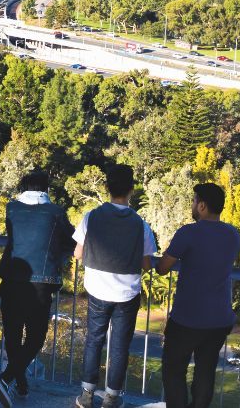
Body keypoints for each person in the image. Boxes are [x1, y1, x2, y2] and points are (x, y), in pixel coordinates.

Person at [73, 164, 157, 408]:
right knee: (119, 345)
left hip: (97, 289)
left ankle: (87, 395)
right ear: (131, 190)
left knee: (94, 340)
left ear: (107, 188)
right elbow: (146, 262)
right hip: (127, 293)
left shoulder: (92, 216)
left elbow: (78, 252)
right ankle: (112, 398)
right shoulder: (140, 224)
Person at [0, 172, 76, 408]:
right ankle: (9, 378)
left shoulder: (11, 208)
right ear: (46, 189)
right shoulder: (56, 212)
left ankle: (16, 382)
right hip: (41, 281)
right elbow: (71, 239)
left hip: (11, 277)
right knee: (36, 336)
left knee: (13, 332)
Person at [155, 183, 240, 408]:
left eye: (194, 201)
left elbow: (163, 267)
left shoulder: (189, 233)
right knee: (205, 371)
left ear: (202, 205)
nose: (193, 205)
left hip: (188, 317)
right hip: (219, 319)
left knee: (173, 371)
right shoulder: (232, 234)